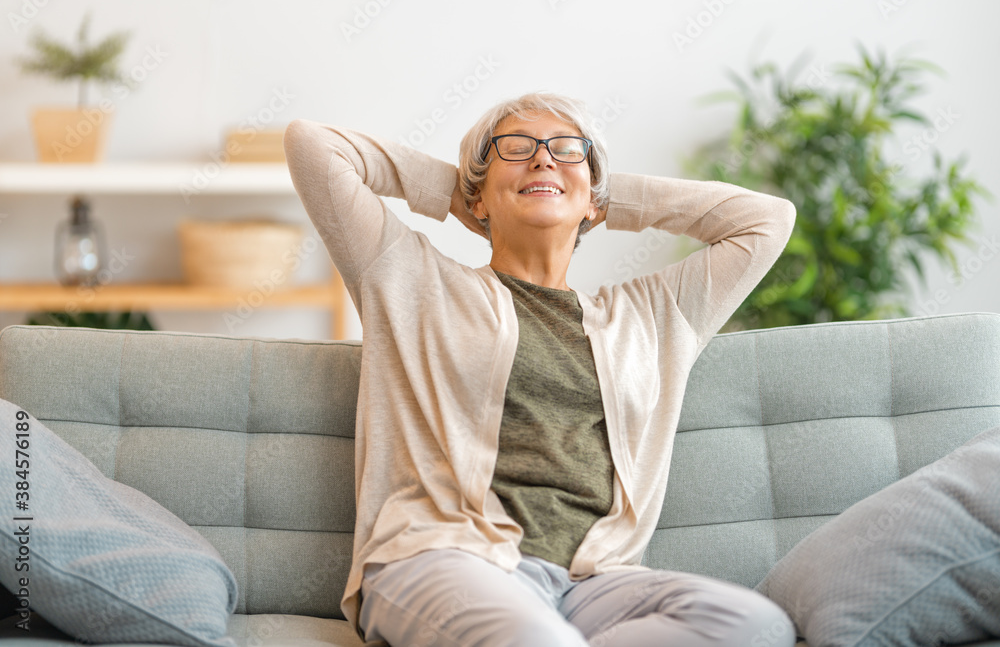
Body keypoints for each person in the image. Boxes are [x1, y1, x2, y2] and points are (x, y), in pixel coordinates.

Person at [283, 92, 798, 647]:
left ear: (594, 202)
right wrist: (462, 193)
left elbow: (767, 221)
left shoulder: (651, 315)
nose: (543, 158)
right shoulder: (412, 279)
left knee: (758, 625)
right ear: (475, 195)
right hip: (443, 557)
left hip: (593, 586)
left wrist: (598, 194)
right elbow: (315, 147)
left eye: (566, 149)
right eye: (516, 148)